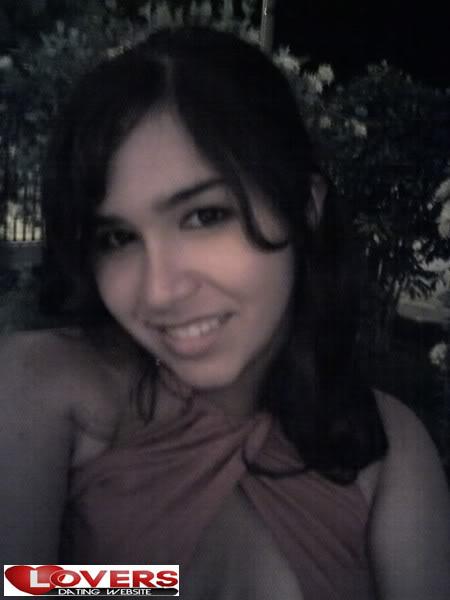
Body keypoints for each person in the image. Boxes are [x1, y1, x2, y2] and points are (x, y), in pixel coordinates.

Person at [1, 26, 449, 600]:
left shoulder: (386, 446)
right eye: (117, 237)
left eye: (204, 216)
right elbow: (19, 586)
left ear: (304, 208)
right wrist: (158, 584)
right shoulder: (39, 387)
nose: (159, 291)